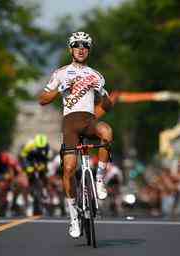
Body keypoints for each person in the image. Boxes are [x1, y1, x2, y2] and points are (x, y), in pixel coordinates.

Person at [38, 31, 113, 238]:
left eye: (85, 46)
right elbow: (43, 99)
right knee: (69, 169)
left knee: (107, 131)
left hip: (88, 121)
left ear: (89, 50)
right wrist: (60, 89)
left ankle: (99, 179)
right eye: (77, 45)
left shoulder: (96, 75)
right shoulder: (61, 73)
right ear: (71, 49)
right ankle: (73, 217)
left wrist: (99, 107)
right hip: (70, 124)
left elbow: (107, 103)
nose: (81, 49)